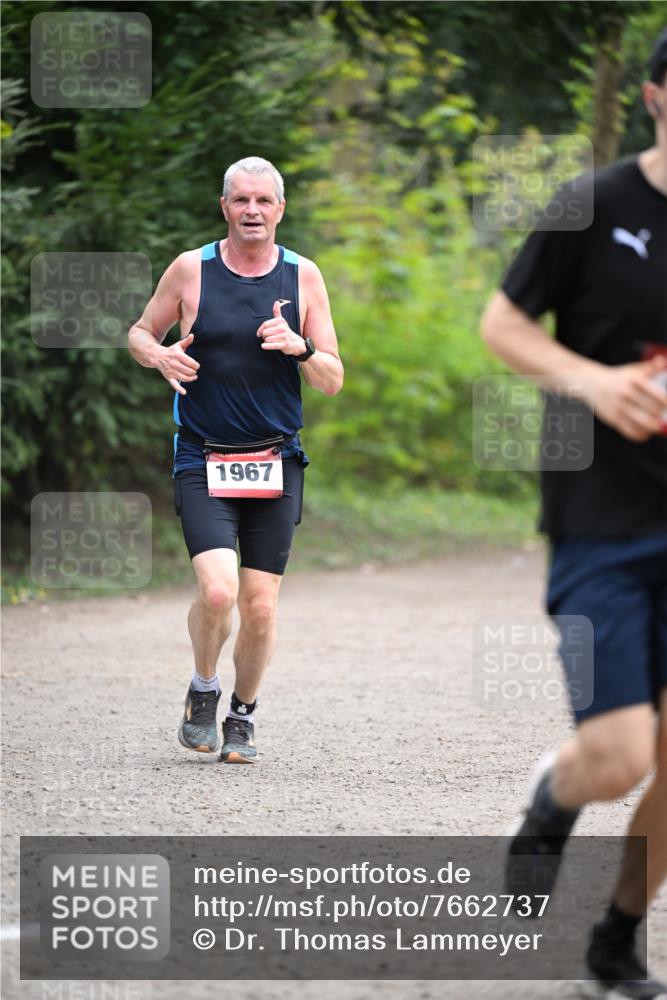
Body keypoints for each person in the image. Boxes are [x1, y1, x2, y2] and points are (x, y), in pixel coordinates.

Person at [481, 30, 667, 1000]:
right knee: (620, 754)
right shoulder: (592, 206)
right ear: (653, 96)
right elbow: (501, 323)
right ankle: (552, 800)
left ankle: (616, 936)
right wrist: (591, 383)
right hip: (601, 515)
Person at [129, 156, 343, 763]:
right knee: (218, 594)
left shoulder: (303, 278)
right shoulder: (190, 270)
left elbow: (332, 378)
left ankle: (242, 716)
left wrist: (300, 348)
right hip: (203, 458)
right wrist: (160, 357)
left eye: (263, 202)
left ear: (280, 209)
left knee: (260, 604)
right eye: (241, 201)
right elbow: (140, 332)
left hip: (276, 462)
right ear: (224, 207)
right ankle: (203, 688)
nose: (252, 211)